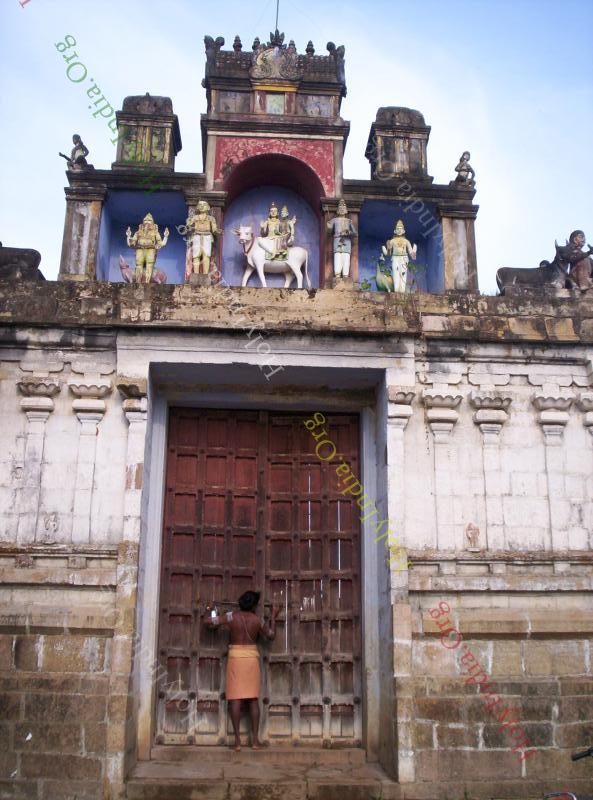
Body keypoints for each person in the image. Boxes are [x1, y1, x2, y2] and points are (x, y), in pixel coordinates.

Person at [203, 591, 279, 751]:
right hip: (251, 660)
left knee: (235, 699)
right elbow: (271, 635)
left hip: (236, 660)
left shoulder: (231, 617)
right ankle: (255, 741)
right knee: (253, 699)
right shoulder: (257, 620)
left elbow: (208, 622)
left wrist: (209, 608)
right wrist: (273, 615)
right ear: (253, 606)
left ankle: (237, 742)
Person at [125, 213, 169, 283]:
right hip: (140, 249)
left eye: (149, 220)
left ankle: (147, 283)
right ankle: (138, 282)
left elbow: (161, 243)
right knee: (139, 265)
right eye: (145, 220)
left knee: (149, 265)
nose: (147, 222)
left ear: (152, 222)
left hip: (151, 250)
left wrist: (166, 236)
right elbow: (131, 243)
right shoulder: (138, 232)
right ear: (143, 222)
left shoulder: (155, 233)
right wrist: (128, 236)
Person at [382, 219, 417, 293]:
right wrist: (386, 248)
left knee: (403, 273)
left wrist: (414, 250)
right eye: (398, 229)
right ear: (395, 231)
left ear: (403, 231)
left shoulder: (406, 241)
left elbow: (411, 252)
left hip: (404, 258)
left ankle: (402, 290)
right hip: (395, 258)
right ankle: (396, 289)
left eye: (401, 229)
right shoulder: (392, 241)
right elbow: (388, 253)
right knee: (395, 273)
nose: (399, 230)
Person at [327, 198, 357, 279]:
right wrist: (329, 228)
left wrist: (348, 232)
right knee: (337, 257)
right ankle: (337, 275)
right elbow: (329, 232)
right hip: (337, 241)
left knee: (346, 258)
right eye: (340, 207)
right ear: (338, 210)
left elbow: (355, 233)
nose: (342, 209)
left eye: (343, 207)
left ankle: (345, 275)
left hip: (346, 242)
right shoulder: (334, 220)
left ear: (346, 210)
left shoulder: (349, 221)